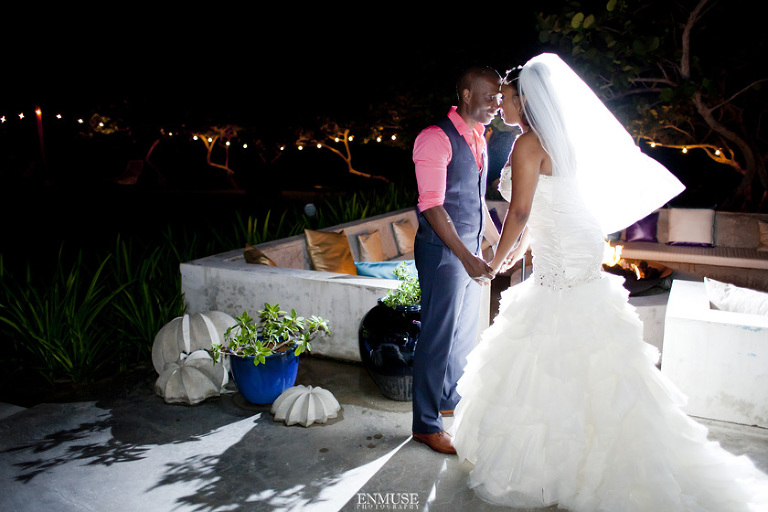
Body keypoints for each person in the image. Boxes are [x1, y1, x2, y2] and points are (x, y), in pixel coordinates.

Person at [449, 53, 768, 510]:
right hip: (576, 241)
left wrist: (497, 262)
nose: (502, 105)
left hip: (562, 249)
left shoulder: (528, 145)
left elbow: (519, 212)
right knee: (584, 328)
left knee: (550, 331)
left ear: (529, 102)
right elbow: (546, 211)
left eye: (509, 98)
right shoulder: (559, 142)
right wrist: (517, 252)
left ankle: (556, 465)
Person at [411, 65, 502, 454]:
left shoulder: (478, 137)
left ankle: (448, 399)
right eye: (489, 96)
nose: (497, 104)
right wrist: (466, 256)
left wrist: (493, 237)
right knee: (437, 336)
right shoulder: (435, 138)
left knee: (463, 333)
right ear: (466, 95)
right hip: (443, 254)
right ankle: (425, 424)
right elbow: (432, 206)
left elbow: (473, 196)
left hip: (466, 252)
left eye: (500, 97)